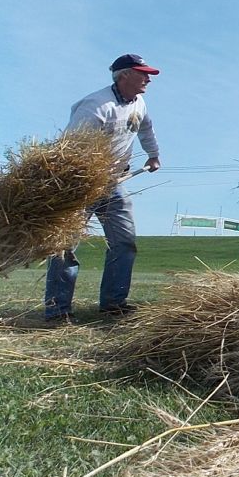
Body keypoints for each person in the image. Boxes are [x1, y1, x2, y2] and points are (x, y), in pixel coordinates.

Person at [44, 54, 163, 324]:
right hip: (82, 185)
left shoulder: (139, 103)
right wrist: (81, 184)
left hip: (114, 184)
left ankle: (113, 303)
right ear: (123, 76)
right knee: (66, 246)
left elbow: (145, 128)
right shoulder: (96, 106)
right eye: (142, 73)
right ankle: (57, 309)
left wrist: (153, 154)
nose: (148, 79)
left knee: (123, 241)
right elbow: (72, 150)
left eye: (149, 74)